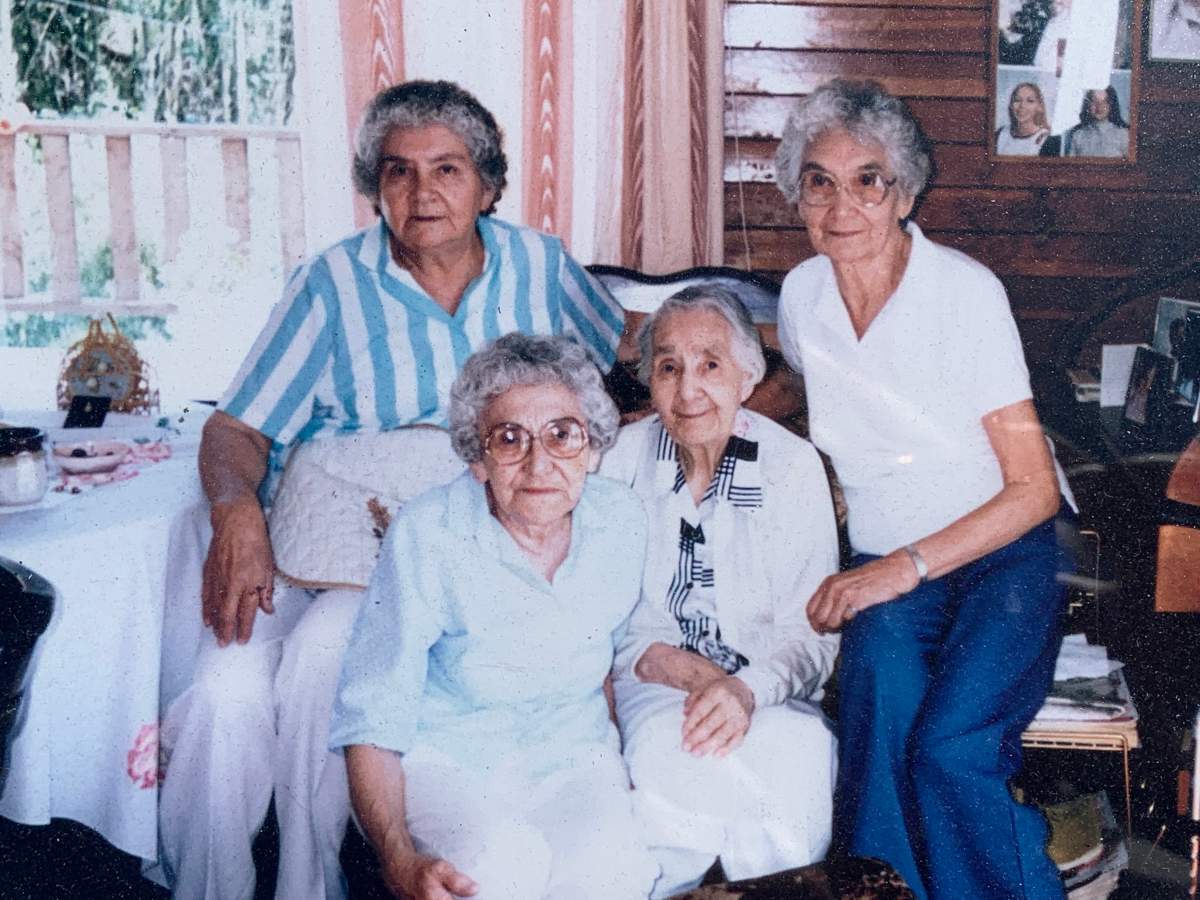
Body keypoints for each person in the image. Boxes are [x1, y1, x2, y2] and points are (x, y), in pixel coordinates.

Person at [159, 80, 627, 900]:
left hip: (467, 557)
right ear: (374, 186)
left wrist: (737, 360)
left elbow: (621, 358)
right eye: (397, 172)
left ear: (489, 184)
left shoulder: (541, 268)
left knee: (323, 660)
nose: (422, 193)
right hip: (329, 538)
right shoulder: (330, 285)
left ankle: (309, 885)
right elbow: (236, 430)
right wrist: (238, 514)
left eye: (447, 169)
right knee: (223, 696)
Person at [774, 78, 1075, 900]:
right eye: (819, 181)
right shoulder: (803, 297)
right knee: (878, 726)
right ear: (796, 196)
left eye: (867, 179)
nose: (843, 205)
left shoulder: (966, 295)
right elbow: (805, 390)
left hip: (1003, 556)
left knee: (950, 749)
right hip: (885, 560)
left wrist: (900, 568)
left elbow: (1033, 488)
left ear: (904, 190)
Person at [331, 333, 658, 900]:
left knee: (615, 874)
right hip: (449, 763)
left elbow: (608, 660)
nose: (540, 464)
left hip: (574, 756)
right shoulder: (428, 534)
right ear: (478, 460)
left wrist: (618, 770)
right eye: (509, 439)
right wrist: (398, 858)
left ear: (593, 447)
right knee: (499, 869)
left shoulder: (621, 520)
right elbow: (373, 713)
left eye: (562, 435)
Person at [600, 286, 840, 898]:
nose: (688, 390)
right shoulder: (621, 461)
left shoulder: (791, 467)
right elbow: (592, 608)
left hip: (768, 691)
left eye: (711, 365)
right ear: (648, 381)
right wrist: (654, 659)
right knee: (674, 764)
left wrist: (744, 689)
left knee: (796, 765)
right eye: (668, 367)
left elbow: (810, 631)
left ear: (748, 375)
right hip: (653, 685)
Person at [1065, 86, 1130, 158]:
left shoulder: (1123, 135)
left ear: (1111, 105)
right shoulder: (1078, 135)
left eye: (1105, 102)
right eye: (1094, 101)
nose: (1099, 107)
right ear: (1088, 105)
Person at [995, 82, 1051, 156]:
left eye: (1030, 101)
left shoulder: (1047, 140)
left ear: (1039, 107)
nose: (1022, 106)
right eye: (1017, 100)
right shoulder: (1000, 134)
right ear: (1011, 105)